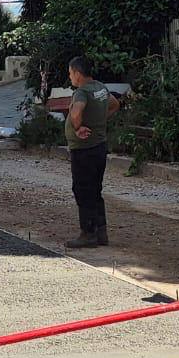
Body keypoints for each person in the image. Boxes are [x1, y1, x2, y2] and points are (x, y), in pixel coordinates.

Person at [63, 56, 120, 249]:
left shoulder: (82, 92)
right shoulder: (100, 88)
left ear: (78, 73)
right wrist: (99, 120)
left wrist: (78, 127)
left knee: (83, 190)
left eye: (70, 73)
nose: (69, 76)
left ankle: (88, 233)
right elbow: (115, 104)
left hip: (83, 149)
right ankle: (101, 231)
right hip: (99, 147)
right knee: (96, 190)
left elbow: (76, 112)